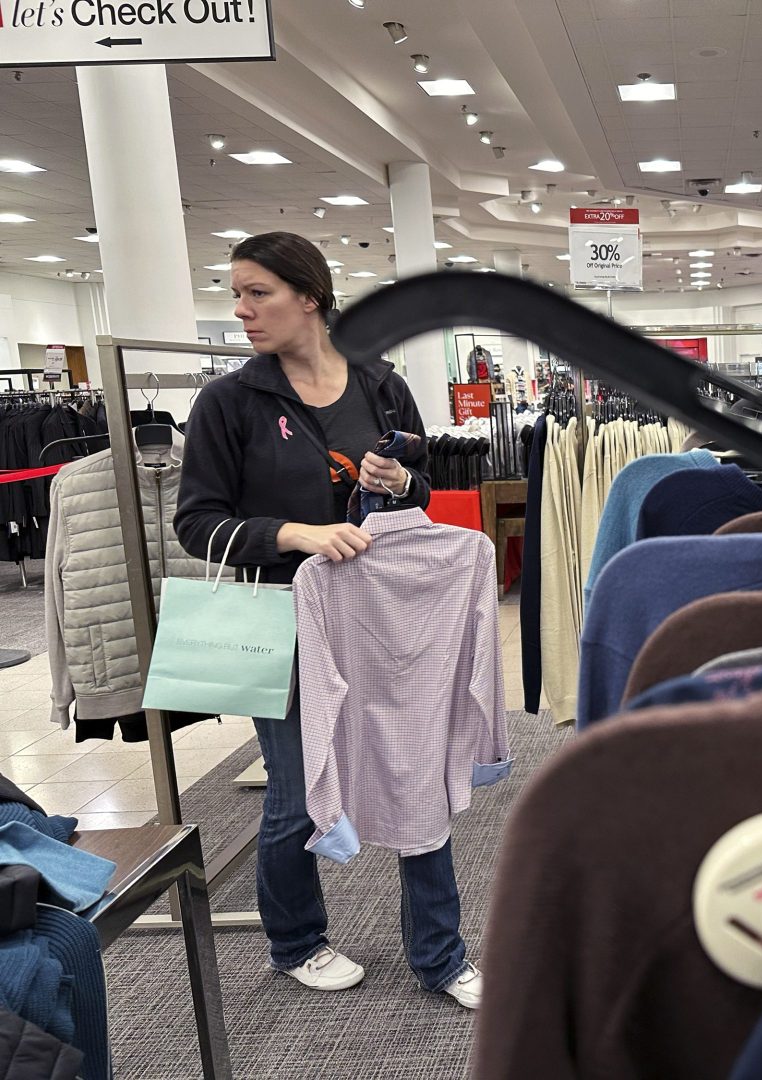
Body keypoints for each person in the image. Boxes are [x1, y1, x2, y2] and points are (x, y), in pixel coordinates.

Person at [174, 231, 482, 1009]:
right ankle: (295, 941)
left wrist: (402, 477)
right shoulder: (228, 403)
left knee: (414, 773)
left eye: (257, 293)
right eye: (236, 294)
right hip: (279, 617)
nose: (241, 311)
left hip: (379, 613)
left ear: (309, 297)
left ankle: (441, 956)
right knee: (294, 793)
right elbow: (196, 523)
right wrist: (293, 533)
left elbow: (421, 495)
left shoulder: (381, 387)